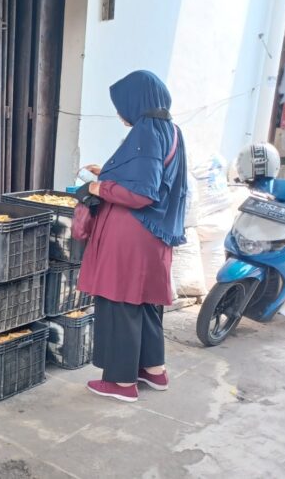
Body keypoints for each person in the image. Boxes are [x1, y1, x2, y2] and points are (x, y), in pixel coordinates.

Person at [75, 70, 188, 403]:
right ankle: (154, 370)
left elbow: (142, 193)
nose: (120, 113)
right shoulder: (170, 130)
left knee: (119, 302)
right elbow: (148, 174)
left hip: (130, 235)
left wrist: (99, 187)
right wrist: (108, 173)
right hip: (154, 236)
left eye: (121, 105)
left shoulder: (146, 133)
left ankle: (121, 382)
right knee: (145, 303)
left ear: (136, 101)